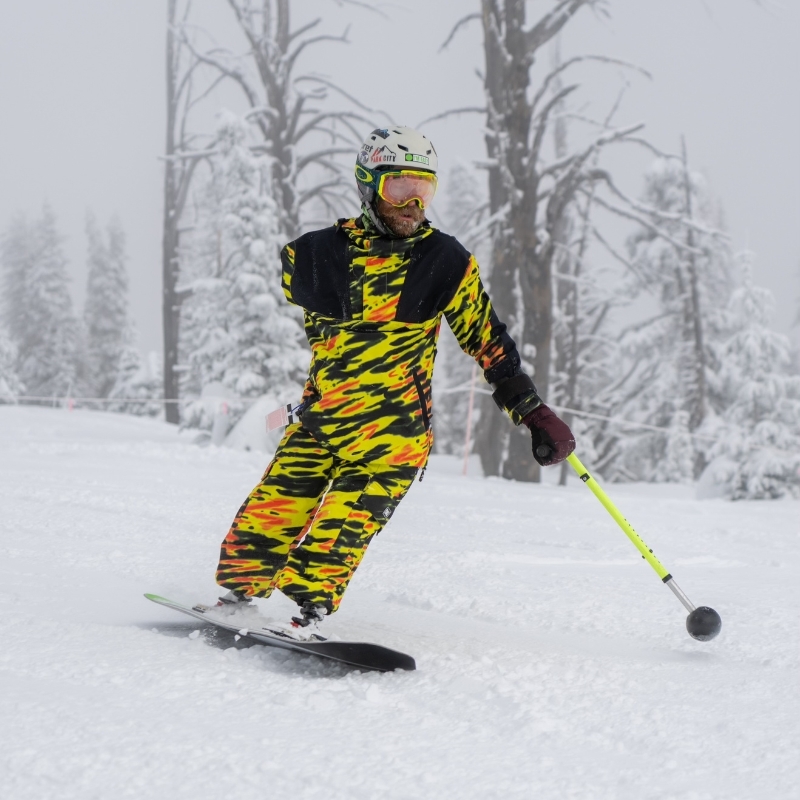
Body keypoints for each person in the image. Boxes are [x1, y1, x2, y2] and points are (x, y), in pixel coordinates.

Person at [214, 126, 575, 640]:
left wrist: (533, 412)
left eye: (423, 191)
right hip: (322, 421)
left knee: (338, 533)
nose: (412, 205)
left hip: (392, 434)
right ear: (368, 186)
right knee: (268, 513)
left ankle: (306, 616)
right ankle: (236, 600)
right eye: (399, 189)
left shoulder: (444, 262)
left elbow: (486, 340)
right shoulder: (311, 256)